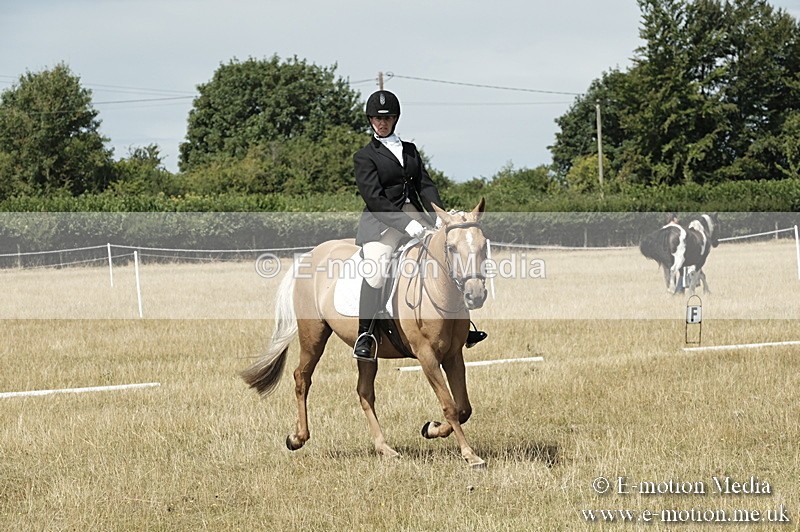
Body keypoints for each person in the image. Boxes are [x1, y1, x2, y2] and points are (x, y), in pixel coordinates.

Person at [351, 89, 443, 361]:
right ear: (370, 121)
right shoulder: (365, 156)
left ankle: (458, 324)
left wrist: (439, 217)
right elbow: (374, 198)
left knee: (446, 257)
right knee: (377, 271)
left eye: (388, 118)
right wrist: (406, 224)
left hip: (417, 216)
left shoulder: (410, 151)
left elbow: (425, 185)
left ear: (396, 119)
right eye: (377, 119)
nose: (383, 123)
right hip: (382, 223)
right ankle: (365, 334)